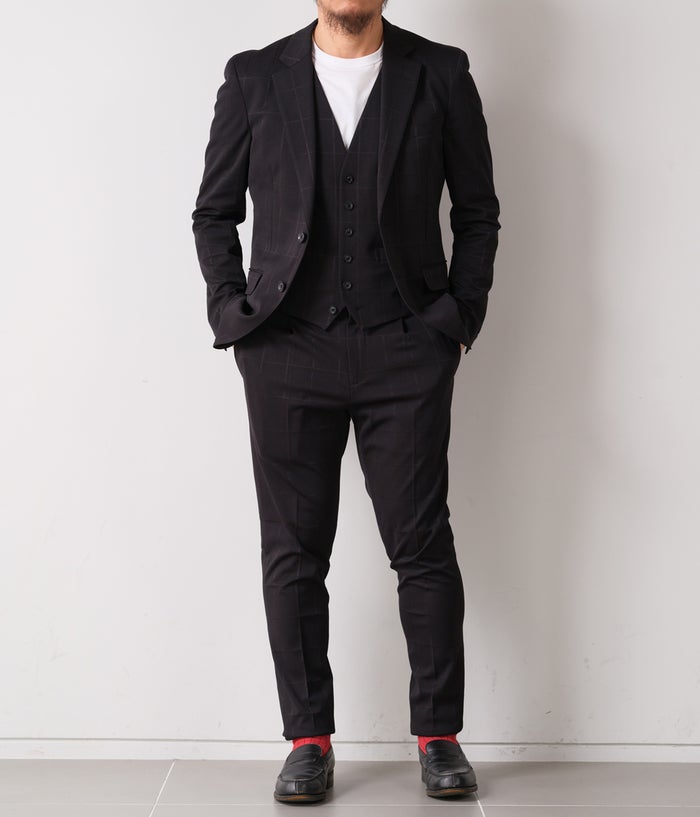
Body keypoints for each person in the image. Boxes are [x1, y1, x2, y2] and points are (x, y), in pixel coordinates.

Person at [191, 0, 500, 803]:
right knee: (294, 551)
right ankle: (308, 740)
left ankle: (438, 734)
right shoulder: (254, 78)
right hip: (287, 348)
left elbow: (477, 212)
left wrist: (457, 322)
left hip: (406, 346)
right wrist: (235, 315)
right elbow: (214, 213)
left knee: (421, 544)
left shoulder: (441, 74)